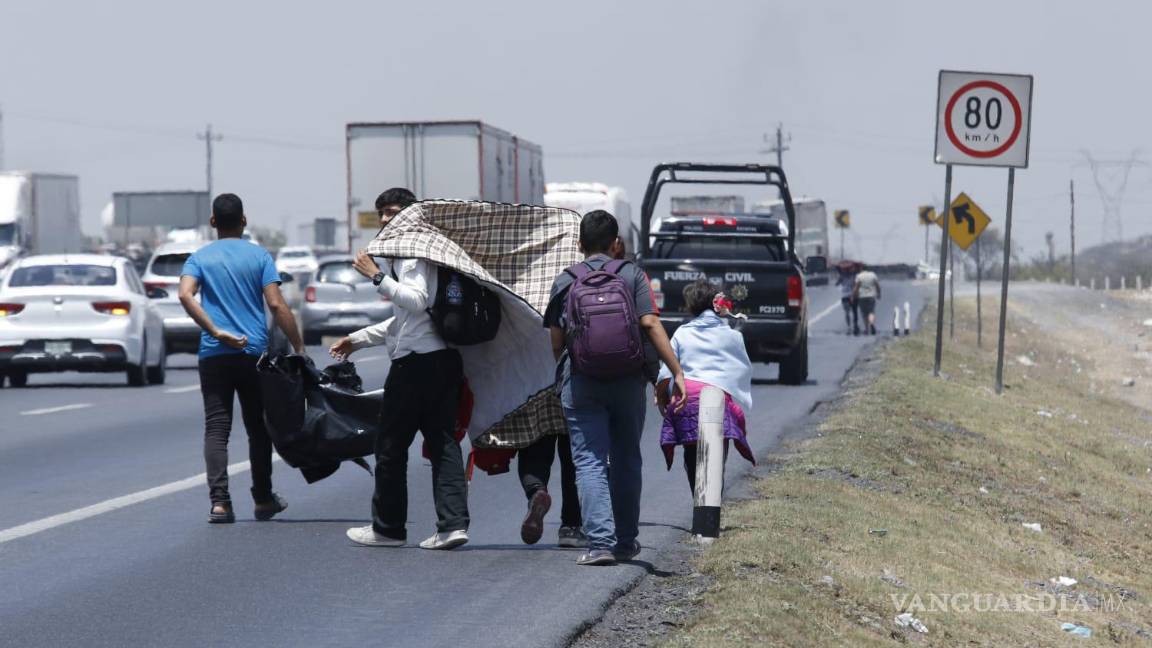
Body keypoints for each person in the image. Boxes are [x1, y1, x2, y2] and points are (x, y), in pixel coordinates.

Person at [543, 210, 687, 566]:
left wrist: (570, 367)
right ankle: (625, 541)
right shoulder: (632, 274)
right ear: (616, 243)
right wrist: (675, 372)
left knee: (589, 460)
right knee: (626, 458)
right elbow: (650, 323)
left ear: (580, 244)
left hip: (582, 382)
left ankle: (600, 545)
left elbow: (557, 341)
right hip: (628, 380)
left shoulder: (565, 280)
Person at [331, 188, 471, 551]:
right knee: (442, 443)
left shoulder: (412, 252)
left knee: (390, 446)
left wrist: (376, 276)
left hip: (416, 365)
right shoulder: (432, 248)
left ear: (410, 215)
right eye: (381, 212)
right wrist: (358, 339)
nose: (384, 219)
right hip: (441, 360)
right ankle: (452, 525)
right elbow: (406, 321)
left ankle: (389, 528)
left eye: (392, 212)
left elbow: (416, 301)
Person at [179, 193, 305, 524]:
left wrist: (215, 330)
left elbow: (185, 294)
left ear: (213, 222)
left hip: (214, 353)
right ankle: (263, 499)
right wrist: (299, 347)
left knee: (217, 427)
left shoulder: (199, 258)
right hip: (253, 354)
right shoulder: (259, 256)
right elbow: (276, 304)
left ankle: (220, 503)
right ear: (244, 221)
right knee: (258, 428)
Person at [655, 279, 754, 494]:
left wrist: (661, 397)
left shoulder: (682, 333)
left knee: (691, 453)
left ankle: (698, 499)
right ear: (719, 305)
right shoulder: (732, 335)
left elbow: (666, 372)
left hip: (686, 402)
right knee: (717, 459)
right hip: (717, 401)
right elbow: (741, 369)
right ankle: (711, 500)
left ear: (691, 306)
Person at [853, 266, 882, 336]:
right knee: (871, 312)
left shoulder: (859, 276)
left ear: (861, 269)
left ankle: (866, 329)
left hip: (862, 296)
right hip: (871, 296)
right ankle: (871, 323)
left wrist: (854, 295)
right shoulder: (873, 275)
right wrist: (879, 293)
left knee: (864, 313)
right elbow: (877, 285)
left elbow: (856, 287)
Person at [837, 262, 860, 336]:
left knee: (847, 313)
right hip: (853, 296)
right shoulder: (855, 276)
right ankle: (855, 325)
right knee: (854, 311)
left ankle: (849, 327)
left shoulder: (842, 276)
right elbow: (857, 284)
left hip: (845, 296)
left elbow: (837, 284)